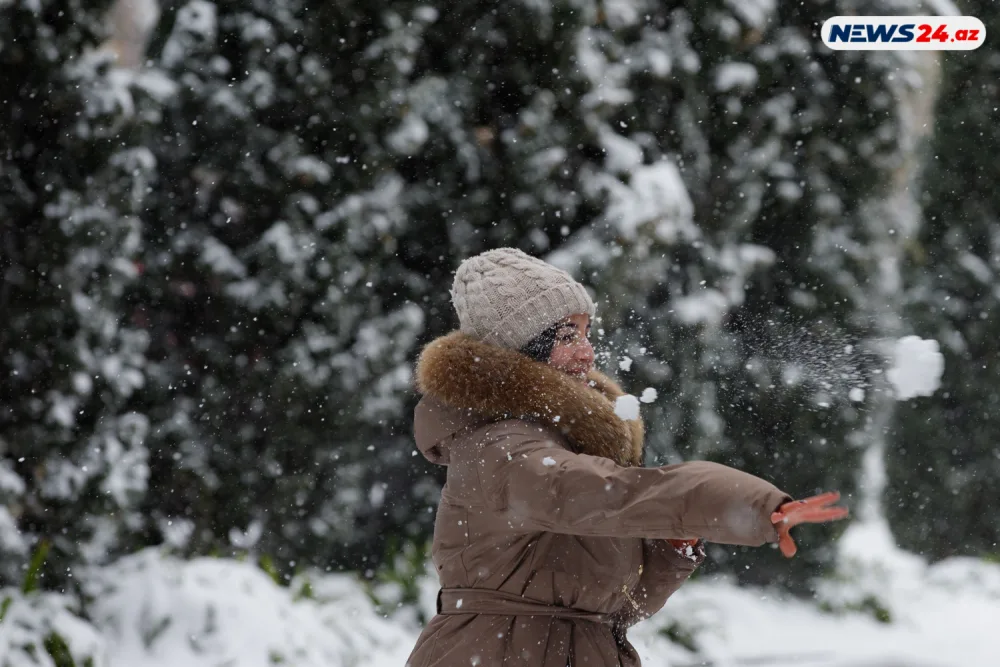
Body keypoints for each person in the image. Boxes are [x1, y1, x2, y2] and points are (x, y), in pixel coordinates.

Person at [406, 248, 848, 667]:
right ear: (521, 348)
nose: (587, 352)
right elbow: (605, 493)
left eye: (586, 332)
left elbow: (614, 607)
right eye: (566, 336)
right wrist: (744, 504)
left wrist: (674, 545)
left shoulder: (555, 444)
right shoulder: (499, 449)